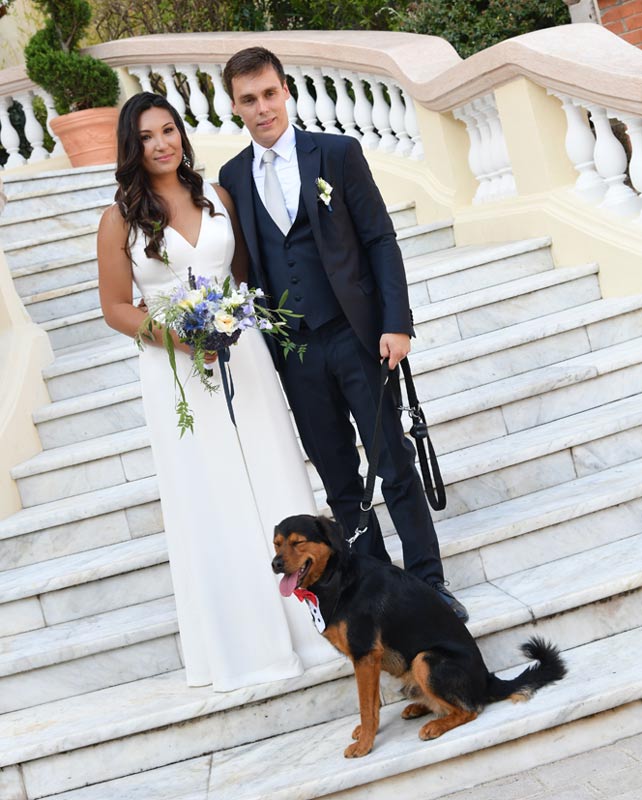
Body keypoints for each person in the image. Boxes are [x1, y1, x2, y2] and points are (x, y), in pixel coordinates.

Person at [219, 47, 468, 622]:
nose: (262, 109)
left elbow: (380, 239)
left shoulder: (337, 152)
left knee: (394, 464)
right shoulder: (232, 178)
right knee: (338, 478)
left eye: (269, 94)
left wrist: (395, 323)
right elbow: (247, 270)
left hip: (358, 337)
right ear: (234, 106)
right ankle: (376, 589)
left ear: (287, 92)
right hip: (297, 354)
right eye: (249, 100)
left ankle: (430, 583)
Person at [97, 92, 335, 691]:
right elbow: (114, 308)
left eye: (169, 130)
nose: (162, 143)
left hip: (242, 353)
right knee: (212, 492)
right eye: (147, 136)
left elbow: (245, 275)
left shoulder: (219, 197)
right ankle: (246, 643)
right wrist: (178, 337)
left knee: (273, 470)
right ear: (133, 147)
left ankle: (312, 624)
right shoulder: (119, 219)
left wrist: (232, 320)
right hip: (176, 368)